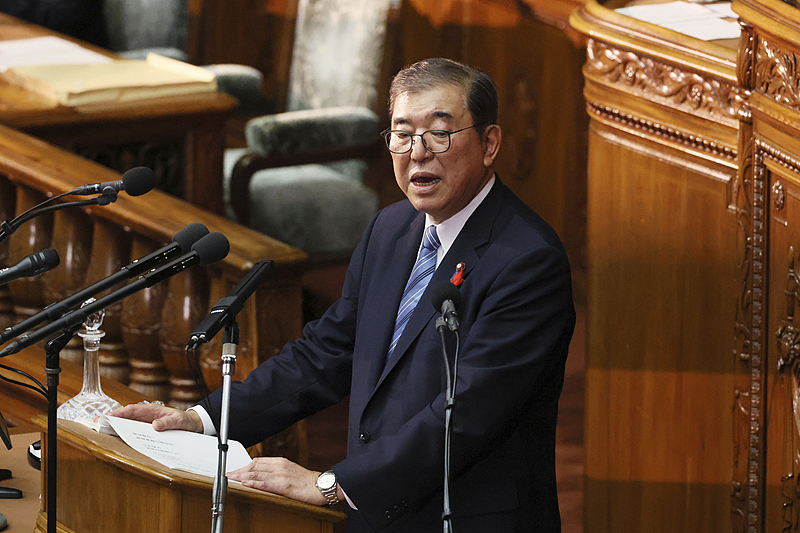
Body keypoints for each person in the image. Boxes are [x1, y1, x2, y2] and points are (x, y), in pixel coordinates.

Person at [113, 57, 576, 533]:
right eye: (402, 133)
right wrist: (206, 420)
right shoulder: (391, 229)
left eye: (440, 132)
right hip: (373, 514)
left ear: (489, 143)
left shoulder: (526, 260)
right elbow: (327, 352)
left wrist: (333, 484)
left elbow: (468, 415)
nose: (417, 153)